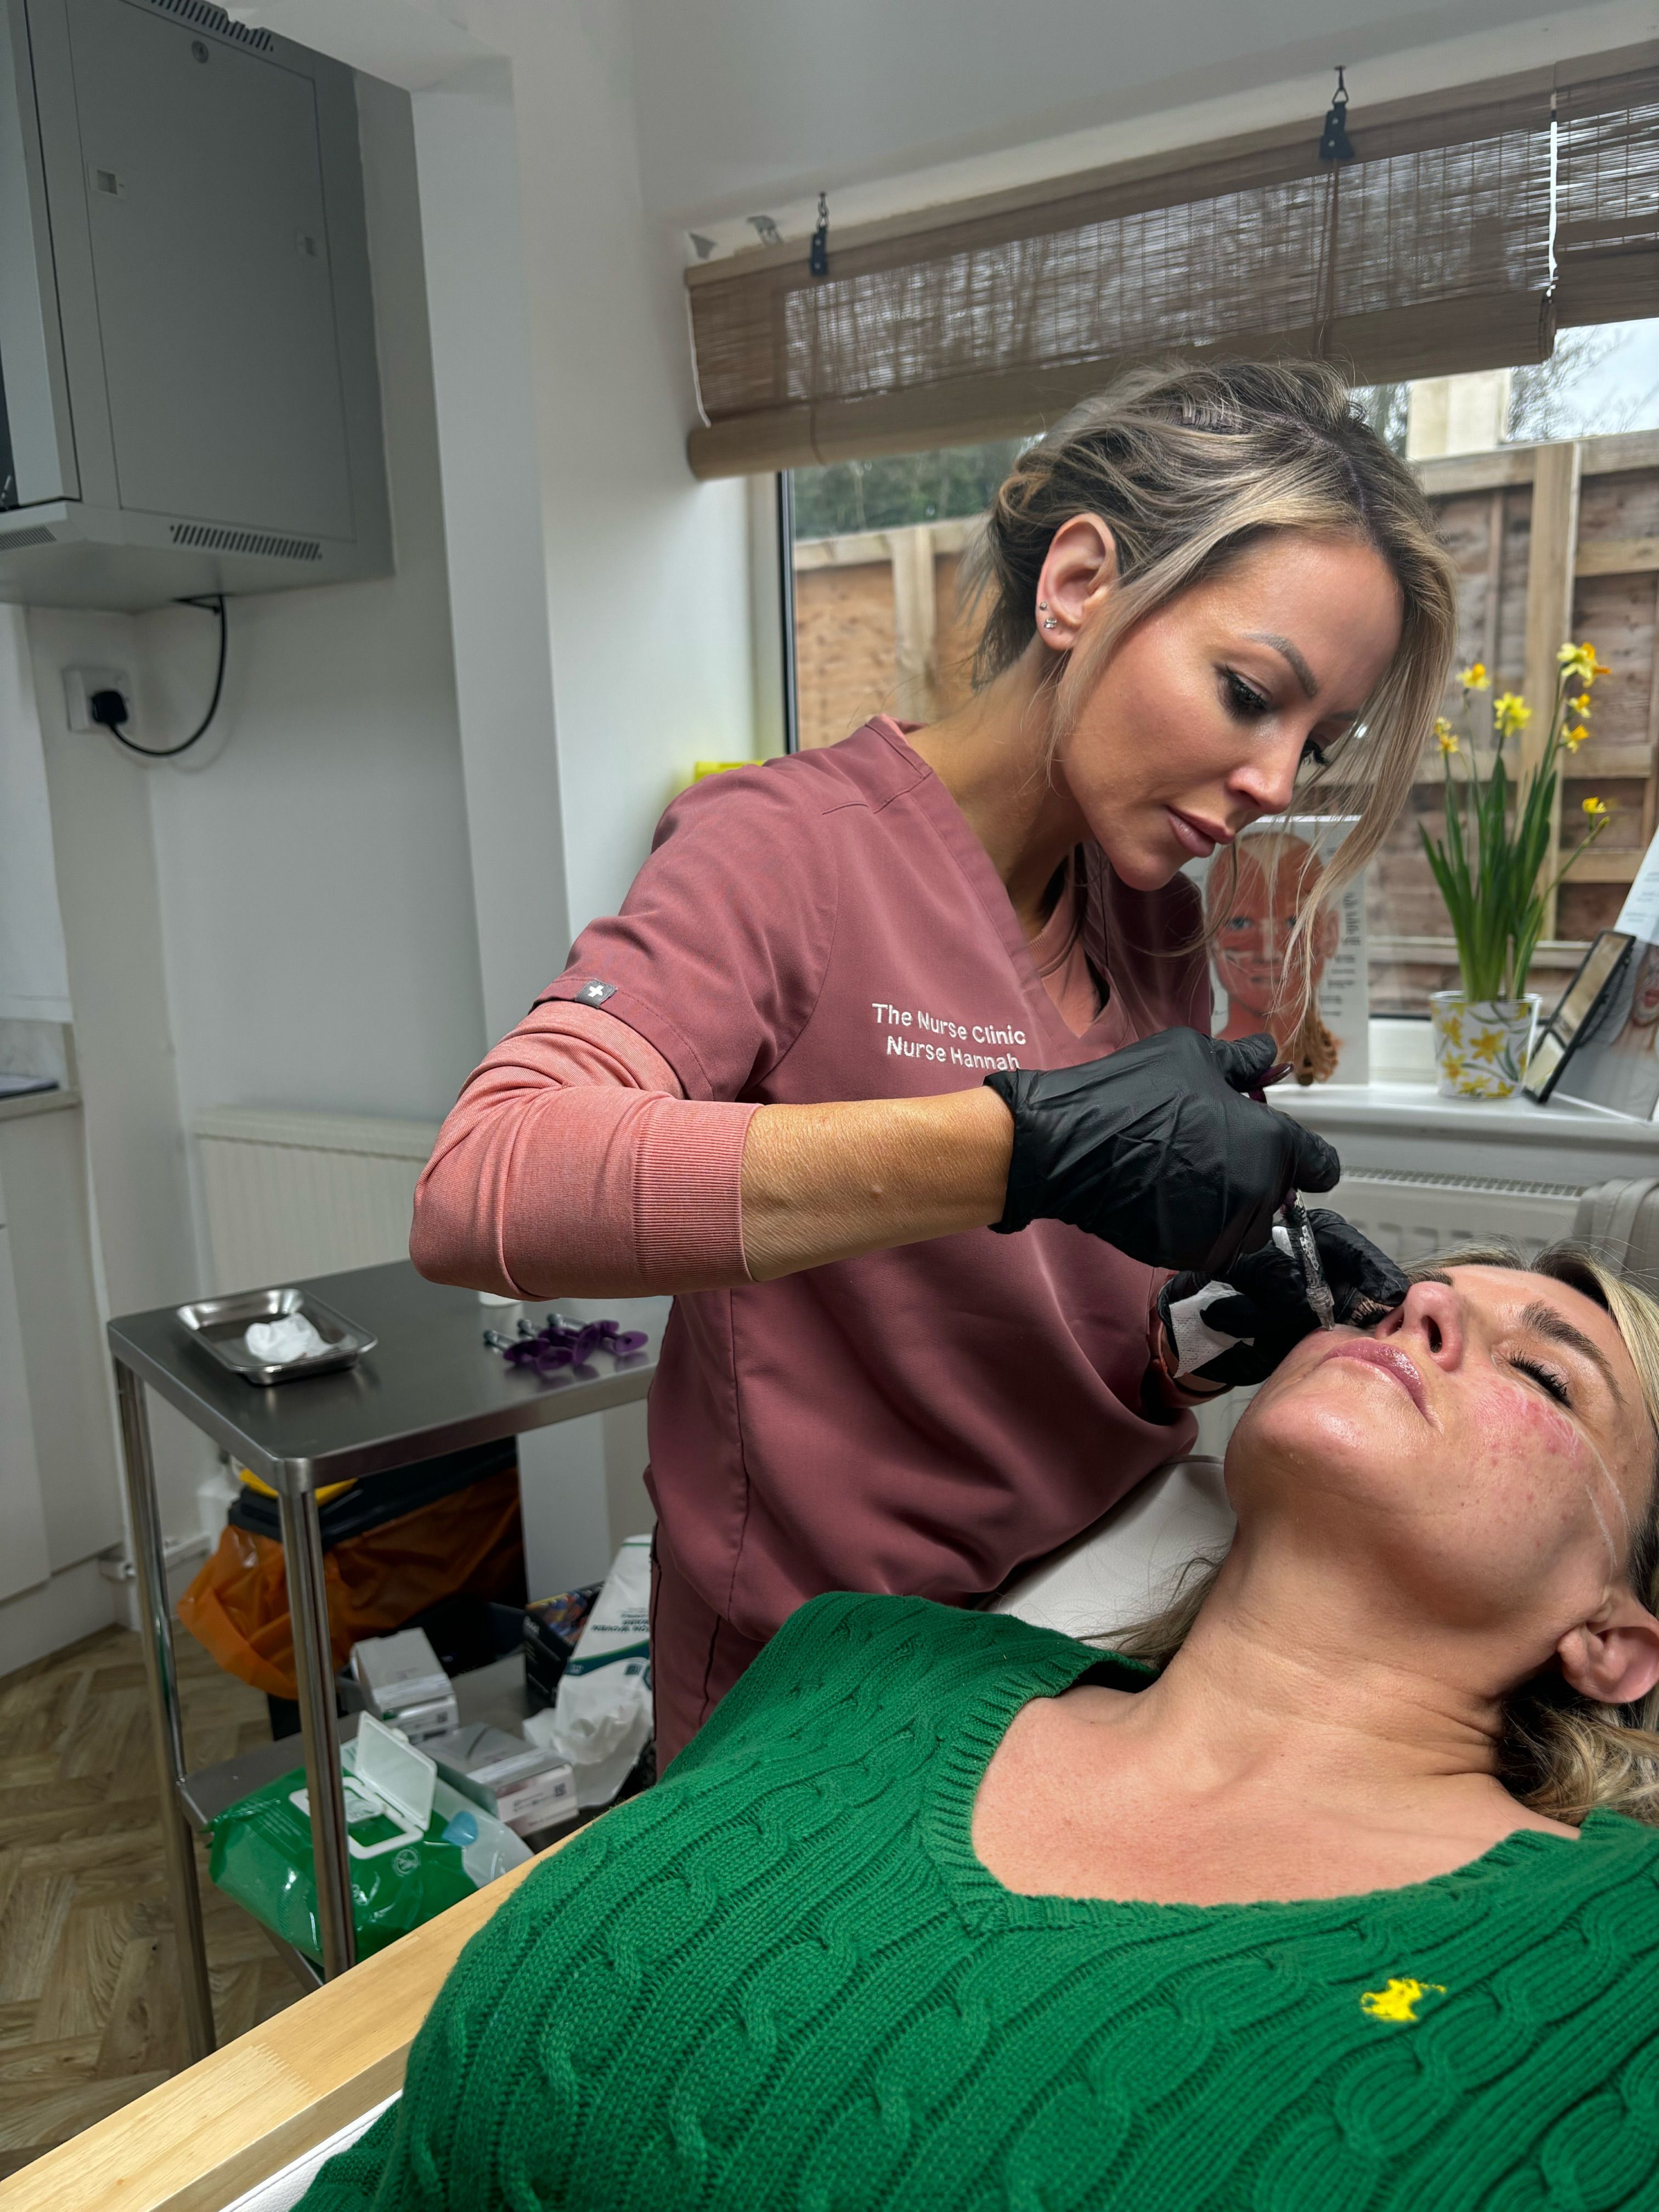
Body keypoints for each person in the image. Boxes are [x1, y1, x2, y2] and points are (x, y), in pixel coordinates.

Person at [411, 358, 1459, 1762]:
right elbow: (484, 1183)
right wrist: (1017, 1147)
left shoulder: (1152, 913)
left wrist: (1216, 1324)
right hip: (828, 1677)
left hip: (1093, 1608)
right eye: (1246, 692)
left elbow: (1046, 1337)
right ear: (1079, 584)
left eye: (1315, 742)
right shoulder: (783, 851)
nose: (1276, 783)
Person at [301, 1244, 1659, 2211]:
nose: (1420, 1310)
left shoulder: (1617, 1949)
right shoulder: (864, 1656)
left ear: (1616, 1637)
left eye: (1547, 1376)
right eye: (1402, 1301)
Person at [1206, 827, 1343, 1081]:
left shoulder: (1346, 1055)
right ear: (1210, 937)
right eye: (1240, 923)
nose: (1269, 953)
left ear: (1331, 933)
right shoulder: (1204, 1066)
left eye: (1295, 922)